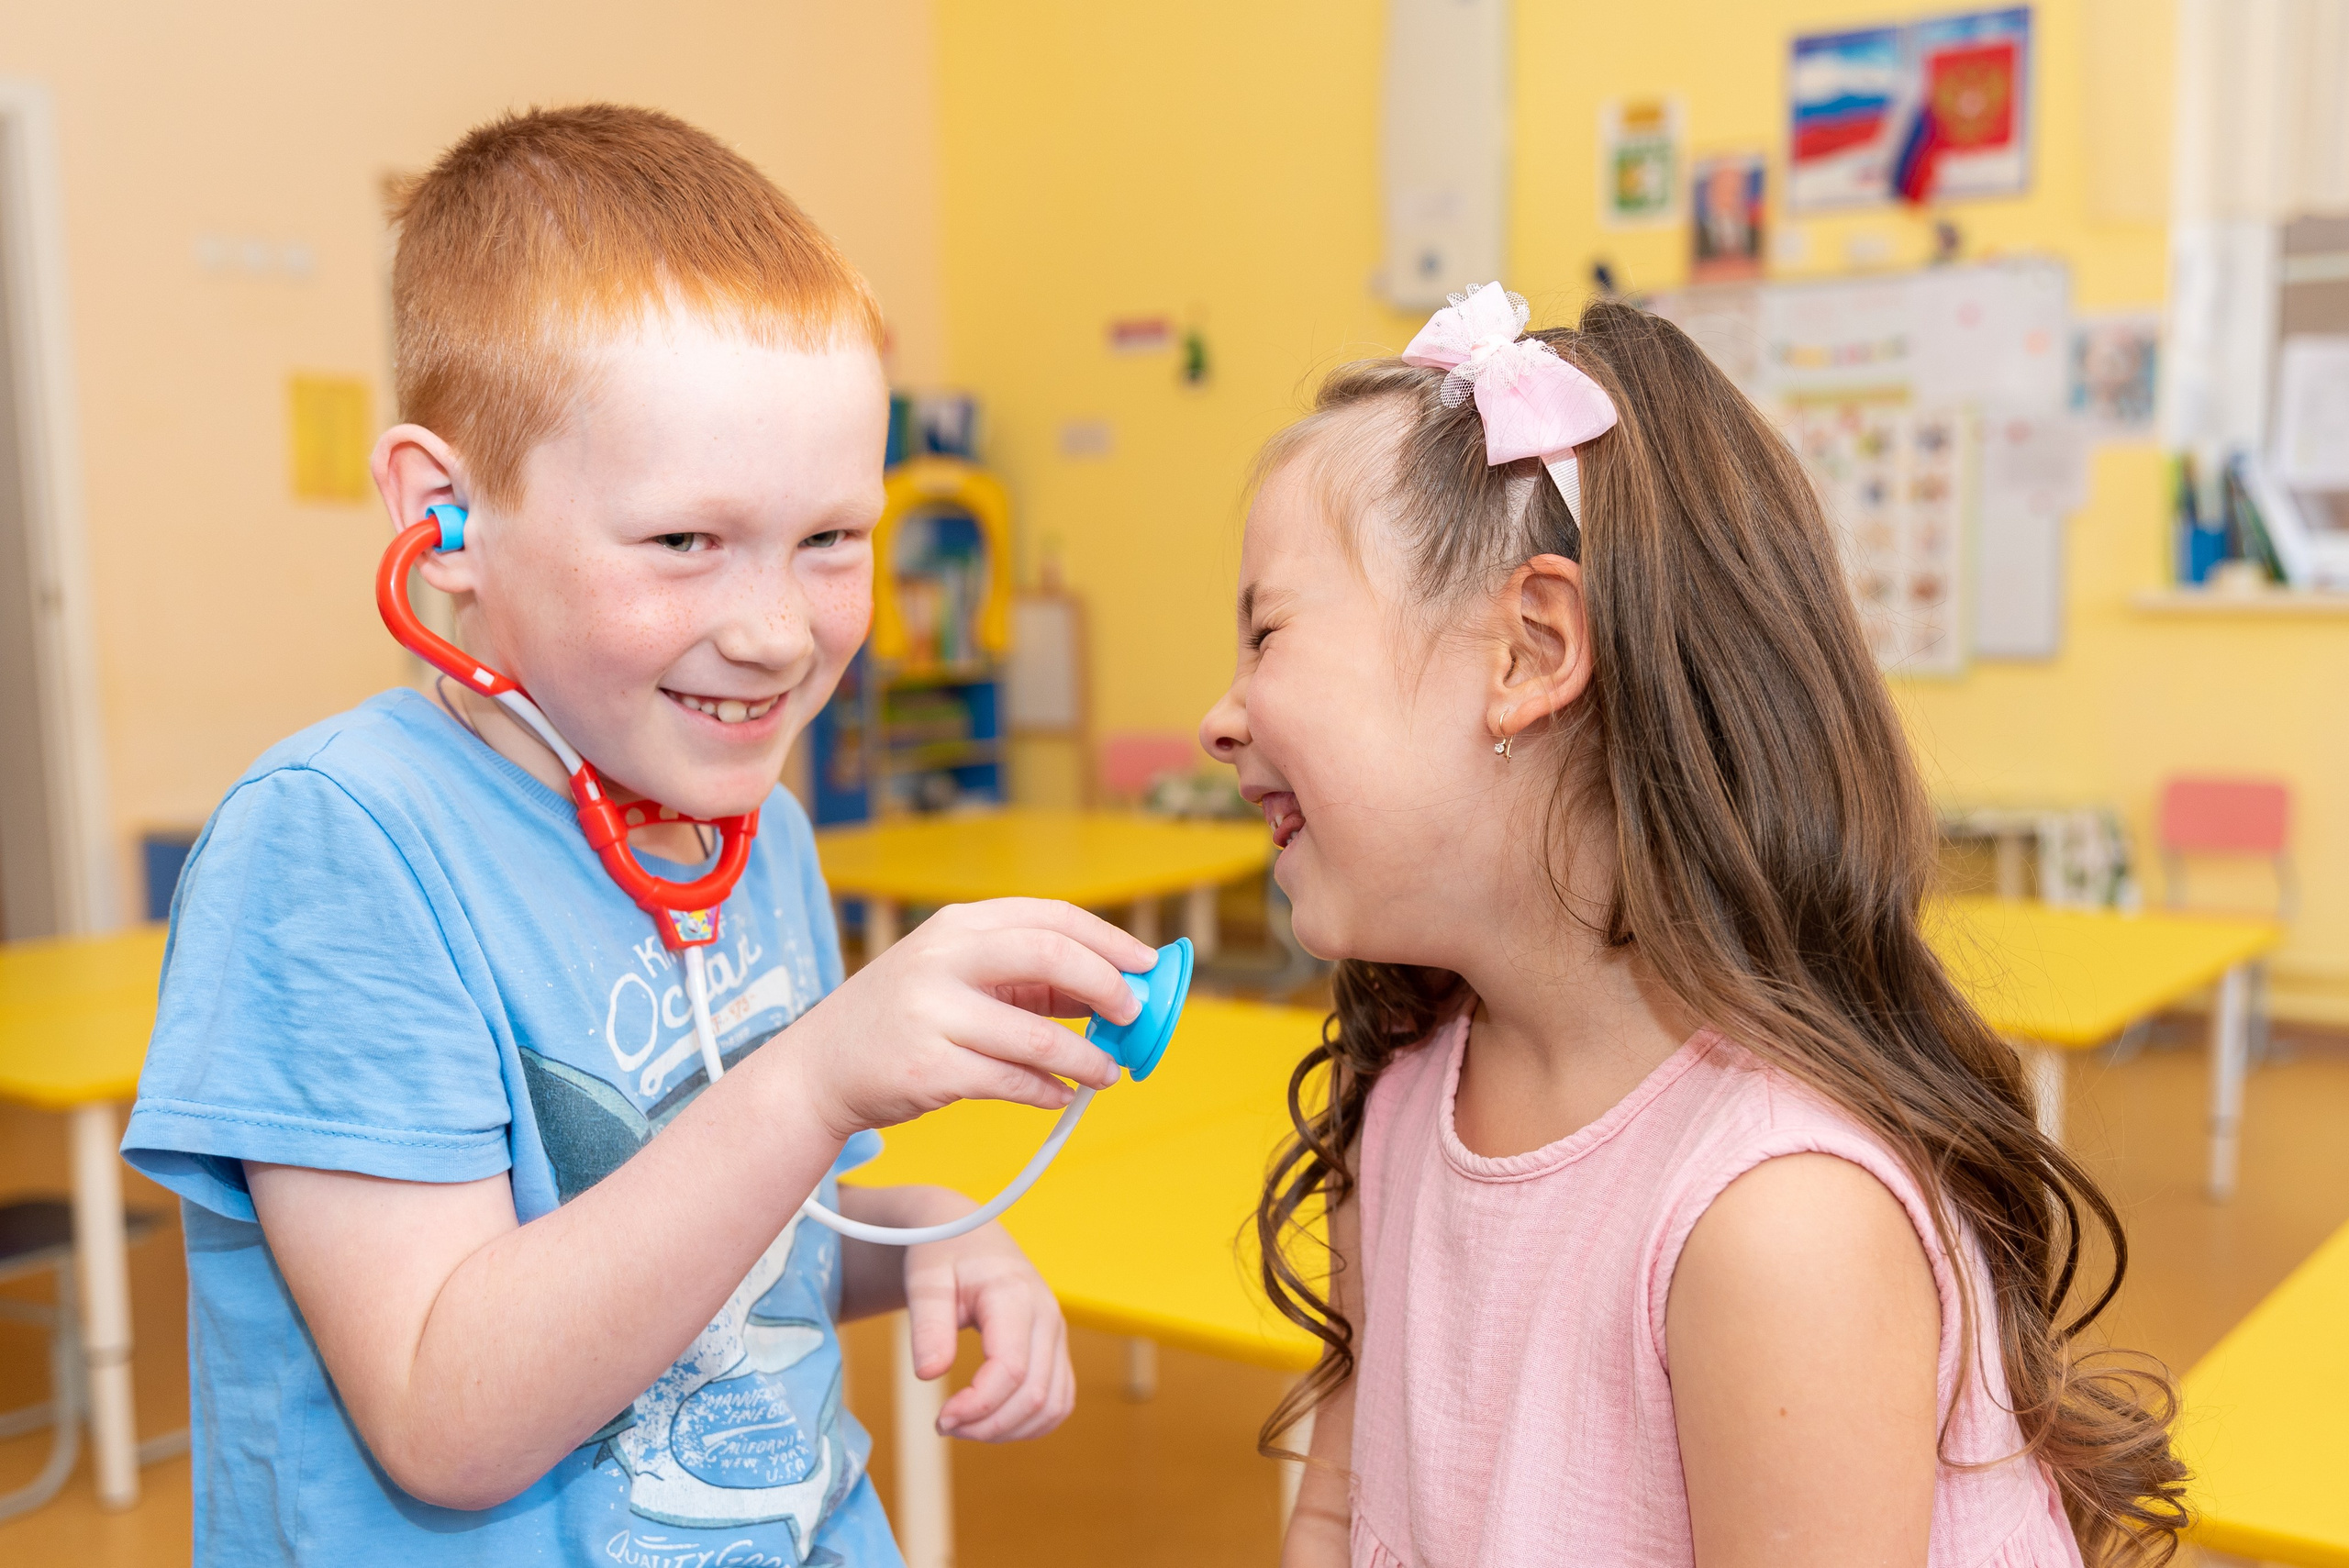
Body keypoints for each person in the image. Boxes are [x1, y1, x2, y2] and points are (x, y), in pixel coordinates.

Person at [124, 105, 1151, 1568]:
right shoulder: (340, 851)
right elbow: (448, 1413)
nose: (777, 629)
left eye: (832, 539)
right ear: (447, 517)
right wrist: (815, 1083)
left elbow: (708, 1251)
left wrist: (915, 1223)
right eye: (685, 541)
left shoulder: (758, 826)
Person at [1199, 284, 2187, 1567]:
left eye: (1266, 633)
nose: (1221, 718)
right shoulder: (1403, 1105)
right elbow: (1340, 1514)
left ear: (1530, 651)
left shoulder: (1780, 1223)